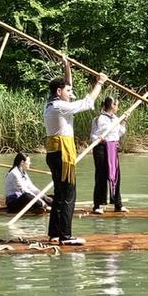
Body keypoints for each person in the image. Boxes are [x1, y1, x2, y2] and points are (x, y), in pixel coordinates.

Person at [44, 68, 106, 245]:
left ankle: (55, 233)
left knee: (59, 194)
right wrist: (100, 83)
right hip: (62, 154)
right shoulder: (59, 106)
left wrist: (66, 65)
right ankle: (65, 236)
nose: (71, 93)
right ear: (58, 91)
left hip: (55, 153)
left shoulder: (51, 104)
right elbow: (86, 103)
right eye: (68, 91)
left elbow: (66, 85)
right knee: (68, 195)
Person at [90, 97, 127, 214]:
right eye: (117, 105)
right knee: (101, 176)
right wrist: (99, 138)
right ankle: (98, 205)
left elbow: (120, 132)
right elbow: (93, 136)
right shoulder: (99, 119)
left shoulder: (116, 118)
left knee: (115, 176)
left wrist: (123, 120)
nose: (118, 107)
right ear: (112, 105)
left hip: (113, 148)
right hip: (101, 148)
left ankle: (118, 204)